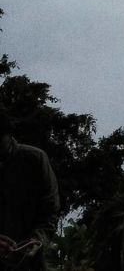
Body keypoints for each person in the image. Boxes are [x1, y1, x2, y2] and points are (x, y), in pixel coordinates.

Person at [0, 111, 60, 271]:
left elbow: (50, 209)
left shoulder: (34, 159)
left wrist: (36, 239)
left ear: (8, 135)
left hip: (30, 262)